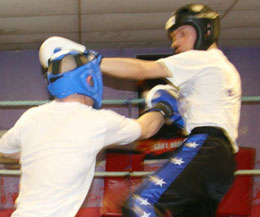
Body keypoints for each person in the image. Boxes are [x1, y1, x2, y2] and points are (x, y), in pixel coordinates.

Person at [0, 37, 183, 217]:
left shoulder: (31, 117)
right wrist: (163, 106)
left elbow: (4, 150)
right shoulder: (97, 122)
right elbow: (146, 129)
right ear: (89, 80)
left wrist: (38, 153)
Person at [97, 3, 241, 217]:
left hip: (206, 146)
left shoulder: (202, 58)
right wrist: (168, 105)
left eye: (183, 34)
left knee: (140, 204)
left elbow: (141, 69)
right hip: (223, 161)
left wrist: (90, 63)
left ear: (205, 31)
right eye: (173, 37)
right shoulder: (222, 68)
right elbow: (194, 113)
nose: (176, 43)